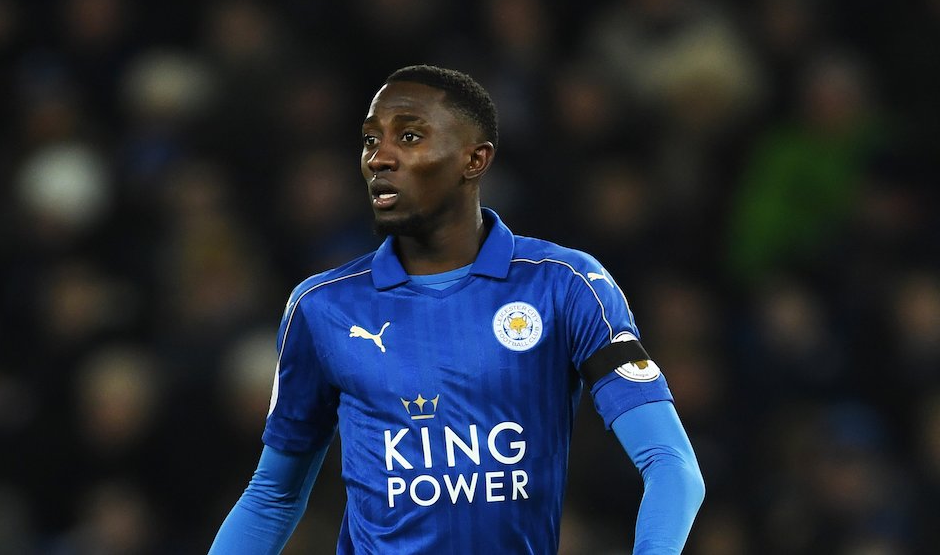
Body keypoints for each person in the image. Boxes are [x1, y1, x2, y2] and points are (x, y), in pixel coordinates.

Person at [209, 65, 704, 554]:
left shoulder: (564, 285)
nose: (379, 158)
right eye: (370, 140)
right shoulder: (323, 307)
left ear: (475, 159)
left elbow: (670, 464)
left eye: (408, 136)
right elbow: (272, 497)